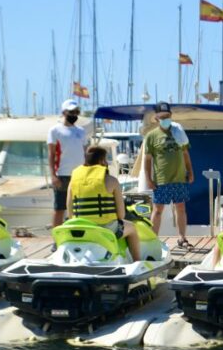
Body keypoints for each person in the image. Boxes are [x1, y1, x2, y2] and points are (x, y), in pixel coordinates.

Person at [67, 146, 141, 261]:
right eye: (105, 159)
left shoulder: (73, 181)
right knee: (132, 228)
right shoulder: (111, 181)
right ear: (102, 161)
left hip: (81, 228)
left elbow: (70, 213)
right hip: (106, 229)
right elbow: (121, 215)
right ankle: (137, 261)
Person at [143, 101, 195, 248]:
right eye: (162, 116)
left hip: (179, 177)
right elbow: (147, 161)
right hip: (161, 179)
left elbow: (186, 154)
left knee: (181, 208)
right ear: (156, 118)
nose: (166, 119)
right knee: (157, 210)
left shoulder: (179, 131)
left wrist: (190, 172)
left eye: (167, 116)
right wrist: (148, 179)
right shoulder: (151, 136)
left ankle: (182, 238)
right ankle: (153, 240)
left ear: (171, 116)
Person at [48, 99, 87, 227]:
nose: (74, 114)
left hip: (80, 175)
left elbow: (85, 153)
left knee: (79, 209)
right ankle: (56, 240)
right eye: (71, 112)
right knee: (59, 209)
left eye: (76, 112)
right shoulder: (55, 131)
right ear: (64, 112)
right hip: (62, 175)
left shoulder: (81, 131)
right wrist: (53, 175)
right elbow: (51, 154)